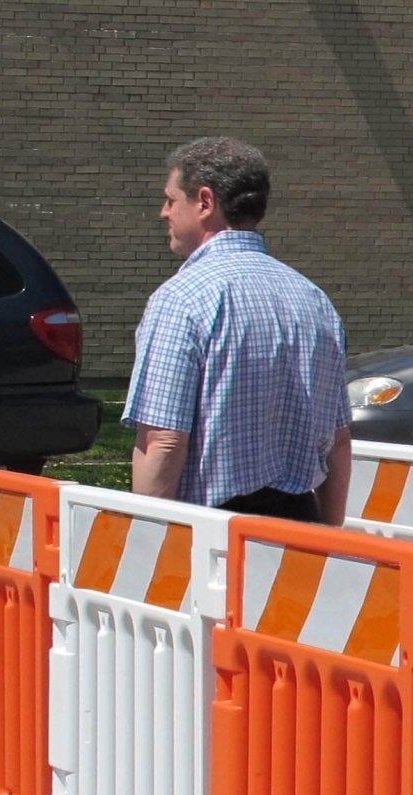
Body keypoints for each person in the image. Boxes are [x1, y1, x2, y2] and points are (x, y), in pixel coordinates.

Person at [124, 137, 350, 524]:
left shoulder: (182, 300)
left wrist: (152, 545)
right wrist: (330, 542)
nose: (163, 212)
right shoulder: (314, 300)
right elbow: (338, 443)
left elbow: (162, 440)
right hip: (302, 527)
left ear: (205, 203)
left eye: (171, 199)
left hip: (212, 538)